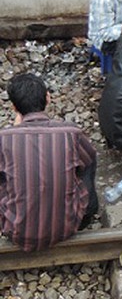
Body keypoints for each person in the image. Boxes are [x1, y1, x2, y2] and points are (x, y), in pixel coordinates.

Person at [0, 73, 98, 251]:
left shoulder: (3, 138)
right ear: (48, 98)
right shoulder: (71, 133)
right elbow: (89, 160)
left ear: (14, 107)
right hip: (68, 227)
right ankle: (88, 211)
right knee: (87, 162)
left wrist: (15, 130)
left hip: (14, 231)